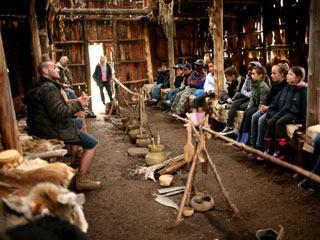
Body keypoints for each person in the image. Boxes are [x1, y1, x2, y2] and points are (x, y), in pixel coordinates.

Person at [23, 61, 102, 190]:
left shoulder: (38, 87)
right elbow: (58, 114)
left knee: (78, 122)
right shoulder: (49, 88)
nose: (58, 70)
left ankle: (76, 160)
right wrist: (79, 104)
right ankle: (81, 179)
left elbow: (51, 110)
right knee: (92, 143)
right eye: (54, 67)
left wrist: (74, 110)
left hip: (42, 127)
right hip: (50, 131)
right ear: (45, 71)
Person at [264, 66, 307, 160]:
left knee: (280, 122)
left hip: (296, 115)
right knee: (271, 122)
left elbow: (304, 108)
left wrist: (304, 125)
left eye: (290, 74)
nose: (287, 76)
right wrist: (270, 113)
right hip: (286, 112)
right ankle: (269, 149)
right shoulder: (288, 88)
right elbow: (276, 103)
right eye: (287, 74)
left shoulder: (303, 90)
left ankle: (281, 150)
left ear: (298, 77)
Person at [250, 63, 288, 156]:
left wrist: (268, 108)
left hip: (277, 110)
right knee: (255, 116)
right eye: (271, 73)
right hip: (271, 108)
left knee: (261, 119)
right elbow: (270, 99)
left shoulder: (285, 87)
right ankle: (252, 144)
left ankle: (261, 146)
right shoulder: (275, 85)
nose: (271, 75)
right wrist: (264, 106)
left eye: (274, 73)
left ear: (282, 75)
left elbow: (280, 104)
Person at [231, 66, 270, 148]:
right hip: (255, 105)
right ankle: (240, 137)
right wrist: (249, 107)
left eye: (253, 74)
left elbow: (263, 102)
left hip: (261, 106)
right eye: (251, 73)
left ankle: (247, 140)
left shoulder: (263, 86)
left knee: (250, 114)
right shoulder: (255, 85)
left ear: (260, 75)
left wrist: (258, 111)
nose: (251, 75)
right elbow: (252, 99)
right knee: (247, 112)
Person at [219, 61, 261, 135]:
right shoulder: (248, 78)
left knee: (241, 104)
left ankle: (245, 133)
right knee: (235, 103)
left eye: (252, 70)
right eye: (249, 70)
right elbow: (243, 90)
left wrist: (246, 93)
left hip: (254, 100)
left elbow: (254, 94)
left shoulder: (258, 82)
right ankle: (229, 127)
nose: (250, 72)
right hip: (246, 97)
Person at [188, 61, 215, 125]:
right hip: (208, 91)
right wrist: (208, 90)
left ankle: (200, 121)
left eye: (211, 66)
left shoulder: (219, 75)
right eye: (209, 67)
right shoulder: (209, 75)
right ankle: (194, 121)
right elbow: (205, 85)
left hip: (215, 92)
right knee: (195, 99)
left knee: (198, 99)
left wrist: (212, 90)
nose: (209, 69)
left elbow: (221, 86)